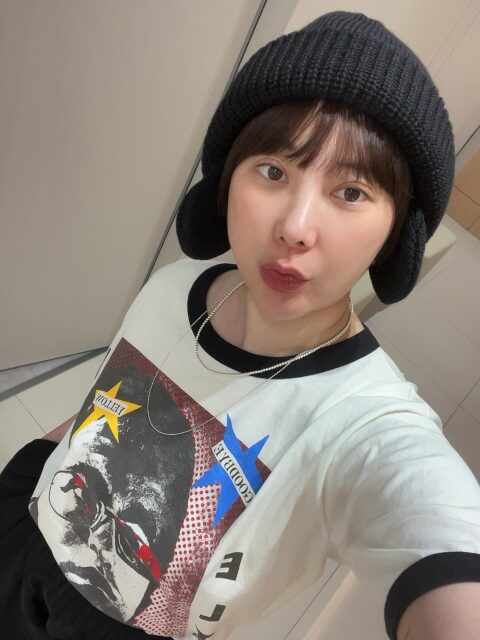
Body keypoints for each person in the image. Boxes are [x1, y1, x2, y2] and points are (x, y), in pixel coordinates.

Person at [1, 10, 480, 640]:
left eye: (351, 192)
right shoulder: (175, 287)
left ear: (395, 232)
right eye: (274, 171)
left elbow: (436, 536)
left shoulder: (364, 424)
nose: (295, 227)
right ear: (228, 179)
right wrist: (32, 464)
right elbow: (106, 402)